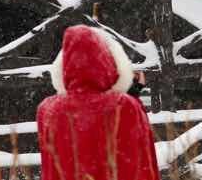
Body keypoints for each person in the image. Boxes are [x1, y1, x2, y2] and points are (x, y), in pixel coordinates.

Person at [37, 25, 160, 180]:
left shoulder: (47, 110)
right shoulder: (125, 106)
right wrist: (130, 95)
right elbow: (142, 163)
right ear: (109, 63)